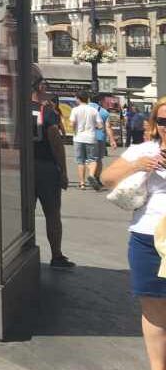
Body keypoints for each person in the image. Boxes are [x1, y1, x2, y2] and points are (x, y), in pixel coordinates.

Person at [102, 98, 166, 370]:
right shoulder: (143, 150)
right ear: (154, 124)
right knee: (153, 308)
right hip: (147, 238)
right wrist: (139, 164)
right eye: (162, 121)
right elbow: (106, 178)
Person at [30, 66, 74, 268]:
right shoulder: (46, 111)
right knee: (52, 213)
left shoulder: (14, 108)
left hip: (21, 168)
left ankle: (25, 248)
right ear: (39, 86)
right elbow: (55, 142)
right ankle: (56, 255)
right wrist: (63, 171)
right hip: (45, 167)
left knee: (24, 212)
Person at [70, 93, 102, 190]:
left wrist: (75, 130)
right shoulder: (93, 110)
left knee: (80, 161)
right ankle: (91, 175)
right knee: (92, 159)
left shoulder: (75, 110)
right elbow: (100, 125)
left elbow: (72, 124)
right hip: (91, 138)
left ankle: (82, 183)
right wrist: (93, 126)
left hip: (78, 137)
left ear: (78, 99)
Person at [92, 94, 118, 187]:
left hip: (84, 137)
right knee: (98, 159)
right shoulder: (104, 112)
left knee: (85, 160)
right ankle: (96, 178)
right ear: (100, 101)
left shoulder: (84, 108)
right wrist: (112, 140)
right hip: (99, 137)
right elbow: (108, 127)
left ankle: (83, 181)